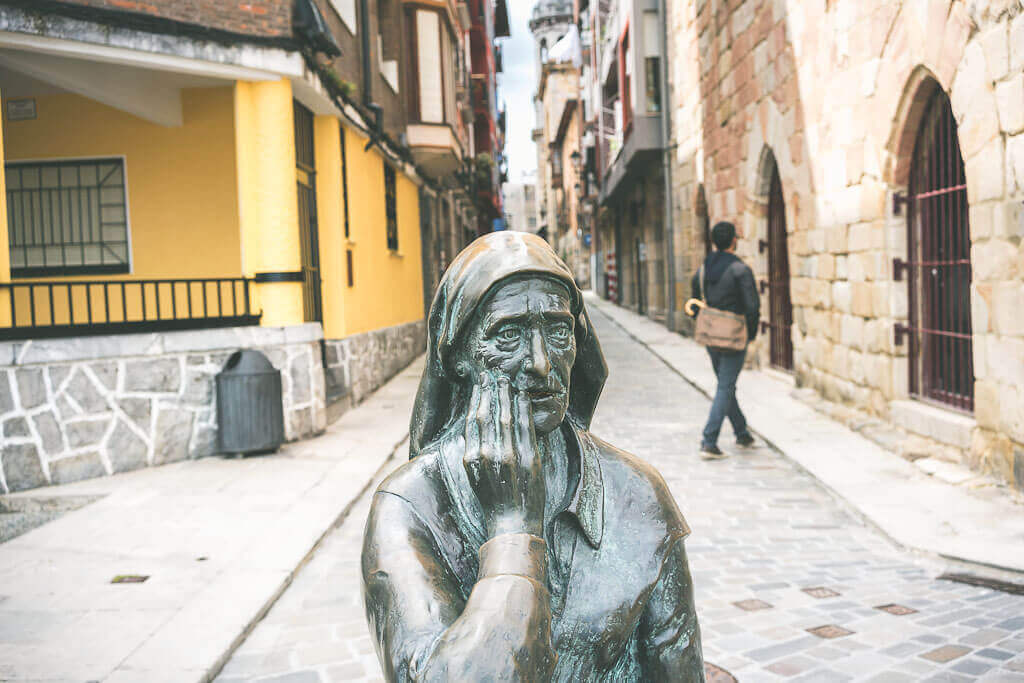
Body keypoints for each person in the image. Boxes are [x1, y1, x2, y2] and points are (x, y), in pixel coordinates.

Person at [361, 232, 705, 682]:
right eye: (508, 333)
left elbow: (679, 668)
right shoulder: (408, 508)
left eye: (559, 330)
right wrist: (513, 529)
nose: (542, 363)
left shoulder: (636, 492)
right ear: (458, 355)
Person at [690, 221, 760, 460]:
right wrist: (750, 333)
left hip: (711, 335)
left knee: (725, 384)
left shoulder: (703, 269)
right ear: (733, 240)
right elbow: (752, 306)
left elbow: (694, 298)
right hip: (733, 335)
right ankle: (709, 441)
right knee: (725, 386)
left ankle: (741, 432)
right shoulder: (740, 270)